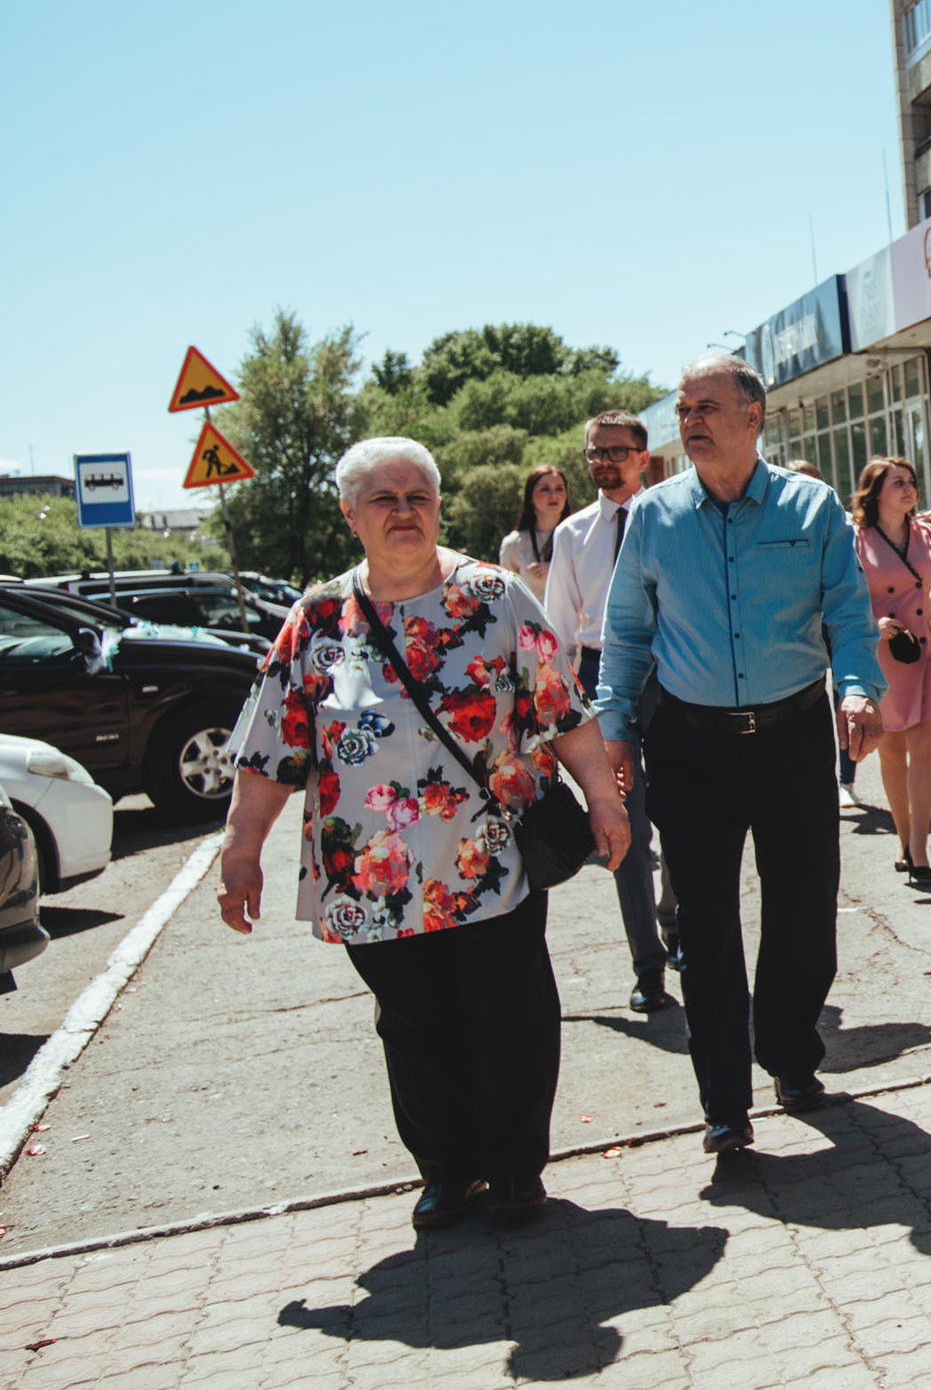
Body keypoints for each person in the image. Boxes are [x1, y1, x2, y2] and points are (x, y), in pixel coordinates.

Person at [216, 437, 629, 1230]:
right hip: (371, 878)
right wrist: (242, 851)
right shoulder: (315, 620)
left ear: (439, 508)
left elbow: (561, 706)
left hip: (488, 858)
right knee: (413, 1024)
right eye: (384, 498)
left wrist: (604, 799)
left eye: (419, 497)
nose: (404, 511)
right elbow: (271, 748)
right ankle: (447, 1167)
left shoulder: (495, 595)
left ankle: (513, 1167)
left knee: (509, 1012)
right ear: (351, 514)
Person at [596, 354, 885, 1154]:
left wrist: (856, 688)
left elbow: (848, 616)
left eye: (707, 405)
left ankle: (791, 1052)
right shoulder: (653, 517)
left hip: (792, 736)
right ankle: (723, 1099)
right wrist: (614, 725)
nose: (690, 418)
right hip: (689, 746)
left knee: (801, 908)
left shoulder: (813, 506)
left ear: (753, 417)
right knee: (705, 925)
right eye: (685, 406)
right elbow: (625, 634)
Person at [544, 410, 680, 1015]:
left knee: (682, 812)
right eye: (595, 453)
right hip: (603, 680)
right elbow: (558, 631)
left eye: (615, 452)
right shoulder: (572, 535)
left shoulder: (674, 519)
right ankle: (647, 964)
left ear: (642, 459)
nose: (603, 462)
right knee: (623, 819)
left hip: (674, 672)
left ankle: (679, 926)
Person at [852, 456, 931, 883]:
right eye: (897, 483)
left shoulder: (927, 535)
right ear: (874, 492)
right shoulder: (856, 539)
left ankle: (920, 851)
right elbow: (839, 597)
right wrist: (873, 624)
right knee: (891, 751)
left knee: (925, 747)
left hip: (929, 646)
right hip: (886, 650)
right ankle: (903, 840)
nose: (908, 489)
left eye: (911, 482)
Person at [497, 464, 570, 596]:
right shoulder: (513, 544)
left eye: (559, 489)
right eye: (545, 489)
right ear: (530, 497)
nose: (553, 495)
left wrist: (556, 570)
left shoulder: (580, 537)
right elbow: (506, 595)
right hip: (528, 616)